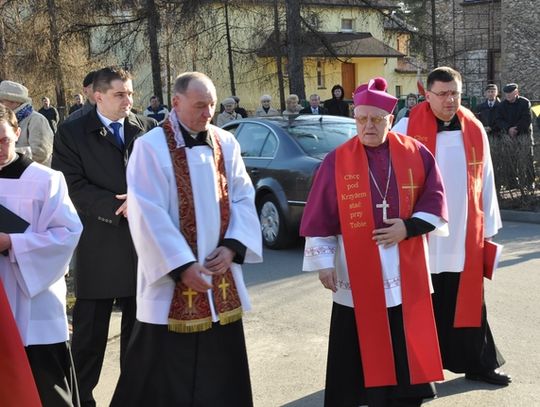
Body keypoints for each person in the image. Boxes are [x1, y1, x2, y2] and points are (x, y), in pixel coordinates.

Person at [110, 71, 262, 406]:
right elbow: (147, 212)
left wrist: (233, 247)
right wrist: (181, 266)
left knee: (221, 370)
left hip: (219, 280)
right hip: (171, 283)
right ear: (176, 103)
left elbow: (242, 196)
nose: (208, 113)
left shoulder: (226, 142)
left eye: (211, 105)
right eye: (199, 106)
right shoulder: (150, 148)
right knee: (160, 373)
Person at [301, 77, 448, 407]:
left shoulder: (416, 153)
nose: (368, 126)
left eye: (377, 120)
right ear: (354, 117)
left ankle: (406, 395)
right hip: (355, 266)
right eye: (362, 119)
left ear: (390, 120)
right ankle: (357, 394)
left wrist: (408, 227)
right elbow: (320, 216)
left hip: (403, 259)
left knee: (402, 326)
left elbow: (435, 198)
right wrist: (324, 264)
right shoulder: (336, 161)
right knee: (354, 332)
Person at [393, 66, 510, 386]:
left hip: (463, 232)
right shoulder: (405, 126)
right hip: (423, 232)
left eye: (455, 93)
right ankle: (417, 371)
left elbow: (486, 177)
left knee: (469, 302)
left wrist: (488, 228)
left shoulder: (474, 127)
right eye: (442, 94)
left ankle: (478, 363)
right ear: (427, 94)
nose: (449, 100)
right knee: (421, 304)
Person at [52, 66, 157, 407]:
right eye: (120, 94)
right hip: (99, 245)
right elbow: (71, 185)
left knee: (138, 340)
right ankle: (82, 401)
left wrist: (140, 201)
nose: (129, 100)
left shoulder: (147, 129)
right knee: (88, 341)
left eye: (130, 93)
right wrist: (118, 208)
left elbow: (161, 176)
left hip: (142, 249)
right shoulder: (72, 132)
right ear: (98, 96)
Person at [0, 103, 83, 406]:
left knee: (47, 391)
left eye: (3, 140)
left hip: (34, 303)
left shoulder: (46, 180)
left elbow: (67, 235)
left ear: (18, 133)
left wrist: (12, 242)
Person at [0, 80, 54, 166]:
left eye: (2, 101)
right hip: (10, 174)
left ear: (15, 101)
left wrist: (9, 153)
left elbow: (41, 153)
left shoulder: (36, 119)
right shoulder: (5, 121)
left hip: (35, 175)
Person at [493, 82, 535, 188]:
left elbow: (526, 118)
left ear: (516, 92)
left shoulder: (525, 102)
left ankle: (530, 182)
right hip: (508, 136)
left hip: (523, 134)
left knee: (527, 159)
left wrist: (516, 129)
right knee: (510, 159)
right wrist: (508, 129)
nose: (508, 95)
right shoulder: (501, 105)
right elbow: (498, 119)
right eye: (506, 94)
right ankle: (512, 183)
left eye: (510, 93)